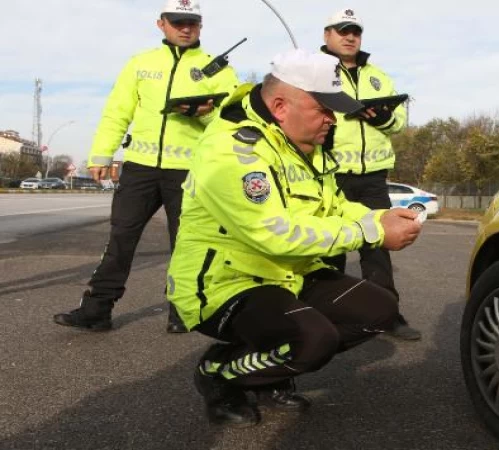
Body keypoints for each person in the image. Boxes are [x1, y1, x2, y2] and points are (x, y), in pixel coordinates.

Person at [166, 49, 423, 426]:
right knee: (313, 340)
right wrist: (372, 232)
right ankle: (219, 373)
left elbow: (333, 205)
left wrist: (377, 215)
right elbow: (273, 234)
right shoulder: (232, 151)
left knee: (379, 311)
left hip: (287, 274)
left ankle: (270, 369)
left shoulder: (304, 146)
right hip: (226, 284)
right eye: (324, 109)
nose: (333, 120)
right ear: (282, 106)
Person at [53, 0, 240, 333]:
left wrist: (204, 113)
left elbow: (232, 121)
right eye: (178, 21)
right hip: (139, 168)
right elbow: (117, 111)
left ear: (201, 26)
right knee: (120, 239)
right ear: (161, 24)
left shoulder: (218, 69)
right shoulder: (140, 64)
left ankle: (183, 311)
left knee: (187, 244)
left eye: (192, 22)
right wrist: (101, 155)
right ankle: (96, 311)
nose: (185, 28)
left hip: (190, 171)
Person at [319, 8, 421, 340]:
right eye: (342, 30)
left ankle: (387, 315)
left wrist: (380, 118)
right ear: (327, 34)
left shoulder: (379, 75)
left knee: (377, 246)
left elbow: (399, 122)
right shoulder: (316, 72)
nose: (350, 37)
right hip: (331, 175)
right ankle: (325, 314)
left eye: (355, 31)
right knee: (330, 246)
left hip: (373, 176)